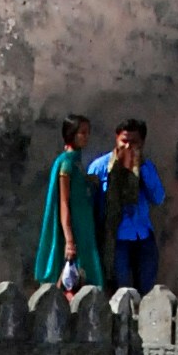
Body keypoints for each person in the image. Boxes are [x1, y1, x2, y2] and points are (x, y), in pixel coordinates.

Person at [89, 119, 165, 292]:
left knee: (147, 291)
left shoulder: (147, 166)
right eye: (124, 141)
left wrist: (141, 169)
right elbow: (89, 203)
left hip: (142, 237)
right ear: (116, 139)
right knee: (120, 291)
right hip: (116, 239)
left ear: (142, 143)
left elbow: (158, 198)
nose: (128, 146)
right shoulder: (100, 167)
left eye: (133, 142)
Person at [31, 114, 103, 293]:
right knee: (71, 280)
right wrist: (69, 240)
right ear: (71, 134)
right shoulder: (66, 164)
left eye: (88, 133)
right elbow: (63, 202)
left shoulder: (77, 162)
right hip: (75, 229)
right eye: (82, 133)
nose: (86, 137)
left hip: (84, 226)